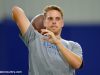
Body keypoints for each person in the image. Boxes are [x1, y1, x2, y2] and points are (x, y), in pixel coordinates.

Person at [12, 5, 83, 75]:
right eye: (50, 18)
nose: (54, 22)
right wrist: (36, 21)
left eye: (57, 18)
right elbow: (16, 11)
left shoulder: (73, 45)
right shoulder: (34, 37)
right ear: (44, 22)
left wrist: (58, 43)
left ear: (62, 23)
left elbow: (77, 64)